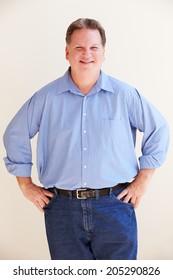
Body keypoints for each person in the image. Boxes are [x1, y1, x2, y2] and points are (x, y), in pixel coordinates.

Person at [3, 18, 169, 260]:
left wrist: (144, 179)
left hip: (115, 204)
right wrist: (25, 184)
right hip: (62, 209)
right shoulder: (46, 98)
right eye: (79, 47)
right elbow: (14, 134)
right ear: (67, 52)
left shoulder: (125, 95)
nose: (86, 54)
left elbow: (160, 129)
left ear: (103, 53)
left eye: (94, 48)